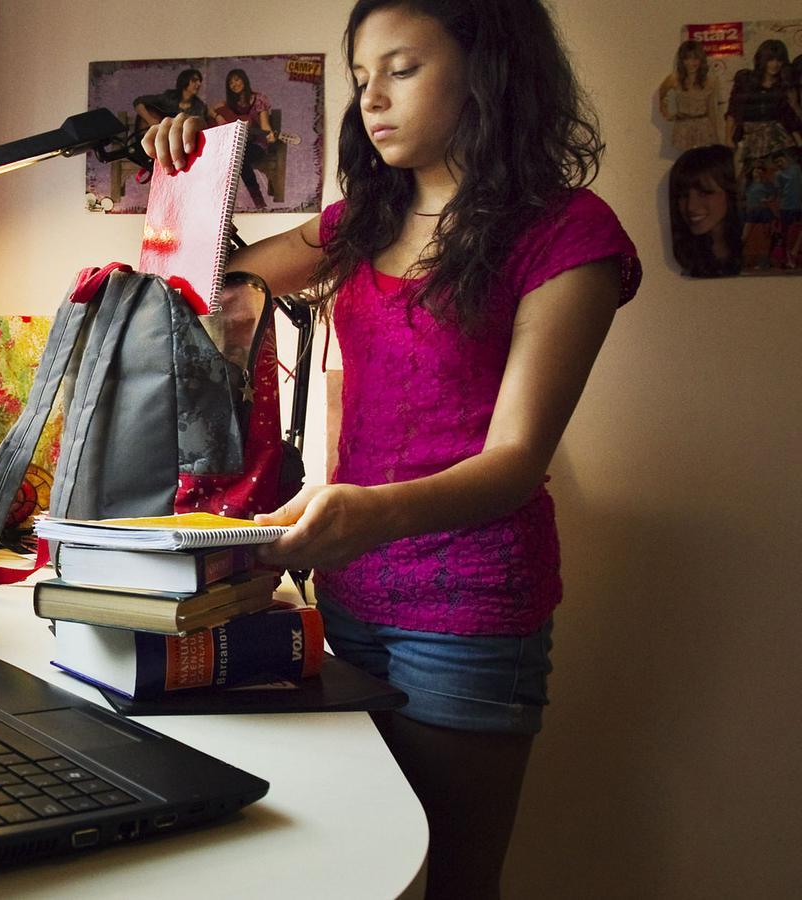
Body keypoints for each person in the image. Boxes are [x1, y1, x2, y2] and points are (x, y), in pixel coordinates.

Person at [145, 1, 640, 897]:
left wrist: (368, 512)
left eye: (402, 71)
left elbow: (518, 458)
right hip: (350, 593)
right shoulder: (362, 222)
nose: (372, 101)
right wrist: (194, 164)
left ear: (488, 68)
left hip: (472, 606)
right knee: (351, 864)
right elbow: (207, 285)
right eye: (363, 78)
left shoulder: (569, 233)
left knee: (449, 880)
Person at [726, 39, 802, 178]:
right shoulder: (746, 80)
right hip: (751, 138)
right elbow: (733, 110)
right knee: (750, 182)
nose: (775, 64)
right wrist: (728, 138)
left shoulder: (783, 86)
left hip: (778, 139)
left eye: (779, 60)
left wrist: (799, 141)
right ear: (762, 59)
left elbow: (790, 118)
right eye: (771, 59)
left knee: (788, 175)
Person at [668, 144, 741, 277]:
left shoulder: (757, 252)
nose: (691, 207)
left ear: (732, 194)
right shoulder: (681, 257)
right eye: (683, 195)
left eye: (705, 193)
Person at [212, 68, 279, 207]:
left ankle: (259, 202)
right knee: (230, 156)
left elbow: (265, 127)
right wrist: (218, 116)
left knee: (239, 159)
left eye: (237, 79)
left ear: (244, 80)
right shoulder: (230, 104)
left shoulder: (259, 99)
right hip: (240, 145)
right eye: (230, 83)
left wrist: (270, 136)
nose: (234, 84)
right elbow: (211, 109)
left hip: (257, 144)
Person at [656, 39, 724, 150]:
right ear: (682, 61)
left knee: (703, 164)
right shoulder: (675, 79)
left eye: (695, 58)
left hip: (704, 127)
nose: (691, 63)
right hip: (683, 127)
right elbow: (662, 93)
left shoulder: (710, 81)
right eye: (687, 59)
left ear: (701, 60)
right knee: (686, 163)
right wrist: (667, 114)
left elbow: (712, 110)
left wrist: (716, 137)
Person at [133, 68, 215, 128]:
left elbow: (199, 127)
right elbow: (138, 102)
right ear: (184, 81)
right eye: (194, 80)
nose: (199, 84)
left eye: (200, 81)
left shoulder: (200, 107)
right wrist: (150, 119)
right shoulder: (168, 97)